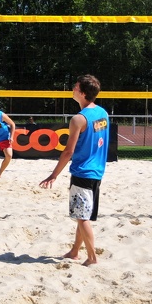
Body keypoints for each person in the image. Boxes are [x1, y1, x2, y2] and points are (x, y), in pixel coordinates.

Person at [39, 75, 109, 266]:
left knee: (81, 217)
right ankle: (75, 251)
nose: (73, 88)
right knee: (82, 214)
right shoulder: (103, 113)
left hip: (82, 173)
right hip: (97, 172)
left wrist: (53, 175)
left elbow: (68, 151)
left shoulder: (78, 119)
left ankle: (92, 257)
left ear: (83, 93)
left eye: (76, 86)